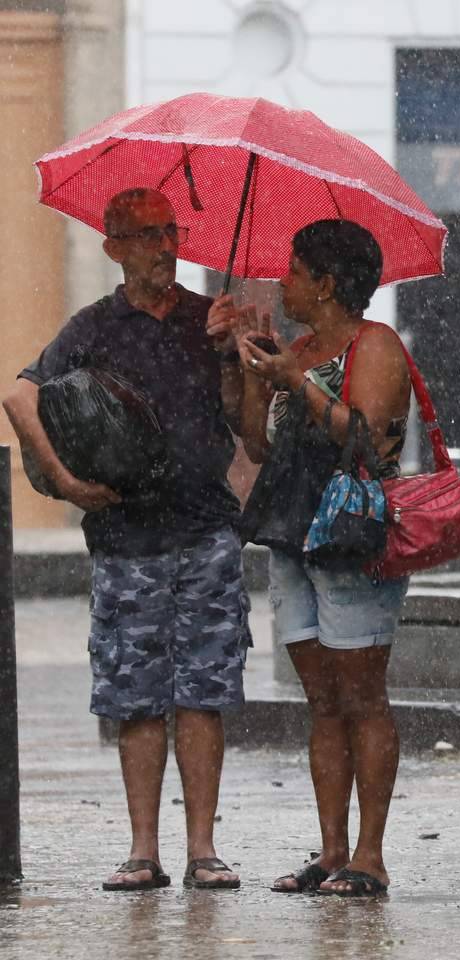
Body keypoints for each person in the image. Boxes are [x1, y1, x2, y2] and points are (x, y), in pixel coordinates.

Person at [3, 188, 248, 890]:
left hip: (205, 530)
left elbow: (240, 421)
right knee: (136, 698)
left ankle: (204, 849)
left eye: (171, 232)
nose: (164, 247)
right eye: (146, 235)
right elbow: (20, 396)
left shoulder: (209, 319)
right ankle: (144, 850)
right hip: (126, 538)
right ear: (114, 248)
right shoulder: (92, 327)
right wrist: (66, 483)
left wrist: (231, 355)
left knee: (204, 692)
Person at [226, 219, 412, 896]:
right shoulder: (299, 348)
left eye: (295, 271)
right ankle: (332, 849)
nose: (283, 281)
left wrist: (296, 381)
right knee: (323, 700)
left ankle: (371, 854)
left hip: (353, 540)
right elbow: (259, 446)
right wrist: (249, 370)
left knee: (363, 696)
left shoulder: (377, 346)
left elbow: (363, 434)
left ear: (327, 284)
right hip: (294, 536)